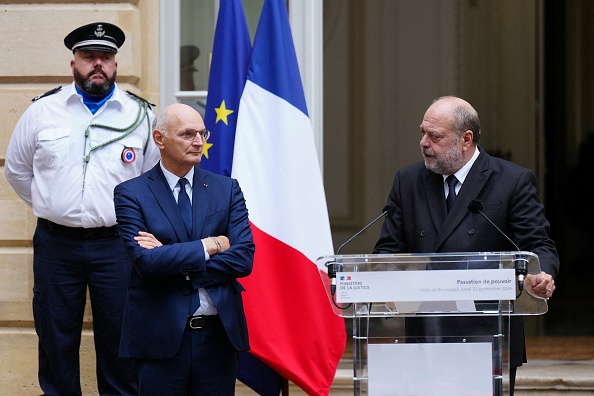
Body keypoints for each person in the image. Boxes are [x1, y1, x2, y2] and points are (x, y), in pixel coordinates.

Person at [4, 22, 160, 395]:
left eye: (105, 57)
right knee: (55, 339)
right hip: (56, 245)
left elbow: (152, 180)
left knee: (121, 341)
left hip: (118, 247)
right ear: (73, 62)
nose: (97, 65)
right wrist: (54, 205)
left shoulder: (139, 115)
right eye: (89, 57)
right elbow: (17, 171)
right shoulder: (43, 112)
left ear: (116, 64)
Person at [373, 96, 560, 395]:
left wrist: (542, 274)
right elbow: (388, 249)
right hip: (426, 332)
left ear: (466, 139)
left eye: (434, 136)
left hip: (488, 333)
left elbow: (537, 243)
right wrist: (387, 278)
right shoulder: (407, 181)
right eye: (422, 132)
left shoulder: (512, 180)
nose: (423, 142)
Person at [113, 102, 255, 395]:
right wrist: (211, 245)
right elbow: (146, 263)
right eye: (188, 134)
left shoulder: (226, 190)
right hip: (158, 339)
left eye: (202, 133)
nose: (199, 142)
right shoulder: (131, 194)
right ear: (159, 139)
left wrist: (171, 257)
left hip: (218, 339)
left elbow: (243, 259)